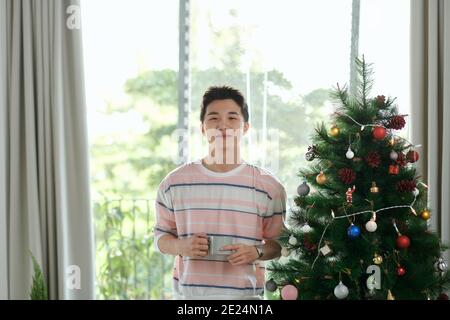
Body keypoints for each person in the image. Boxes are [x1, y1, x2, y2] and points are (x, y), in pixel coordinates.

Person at [153, 86, 286, 300]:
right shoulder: (174, 183)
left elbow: (279, 244)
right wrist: (182, 246)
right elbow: (160, 237)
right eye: (213, 118)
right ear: (203, 128)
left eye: (232, 118)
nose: (223, 125)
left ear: (245, 127)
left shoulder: (269, 187)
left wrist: (256, 252)